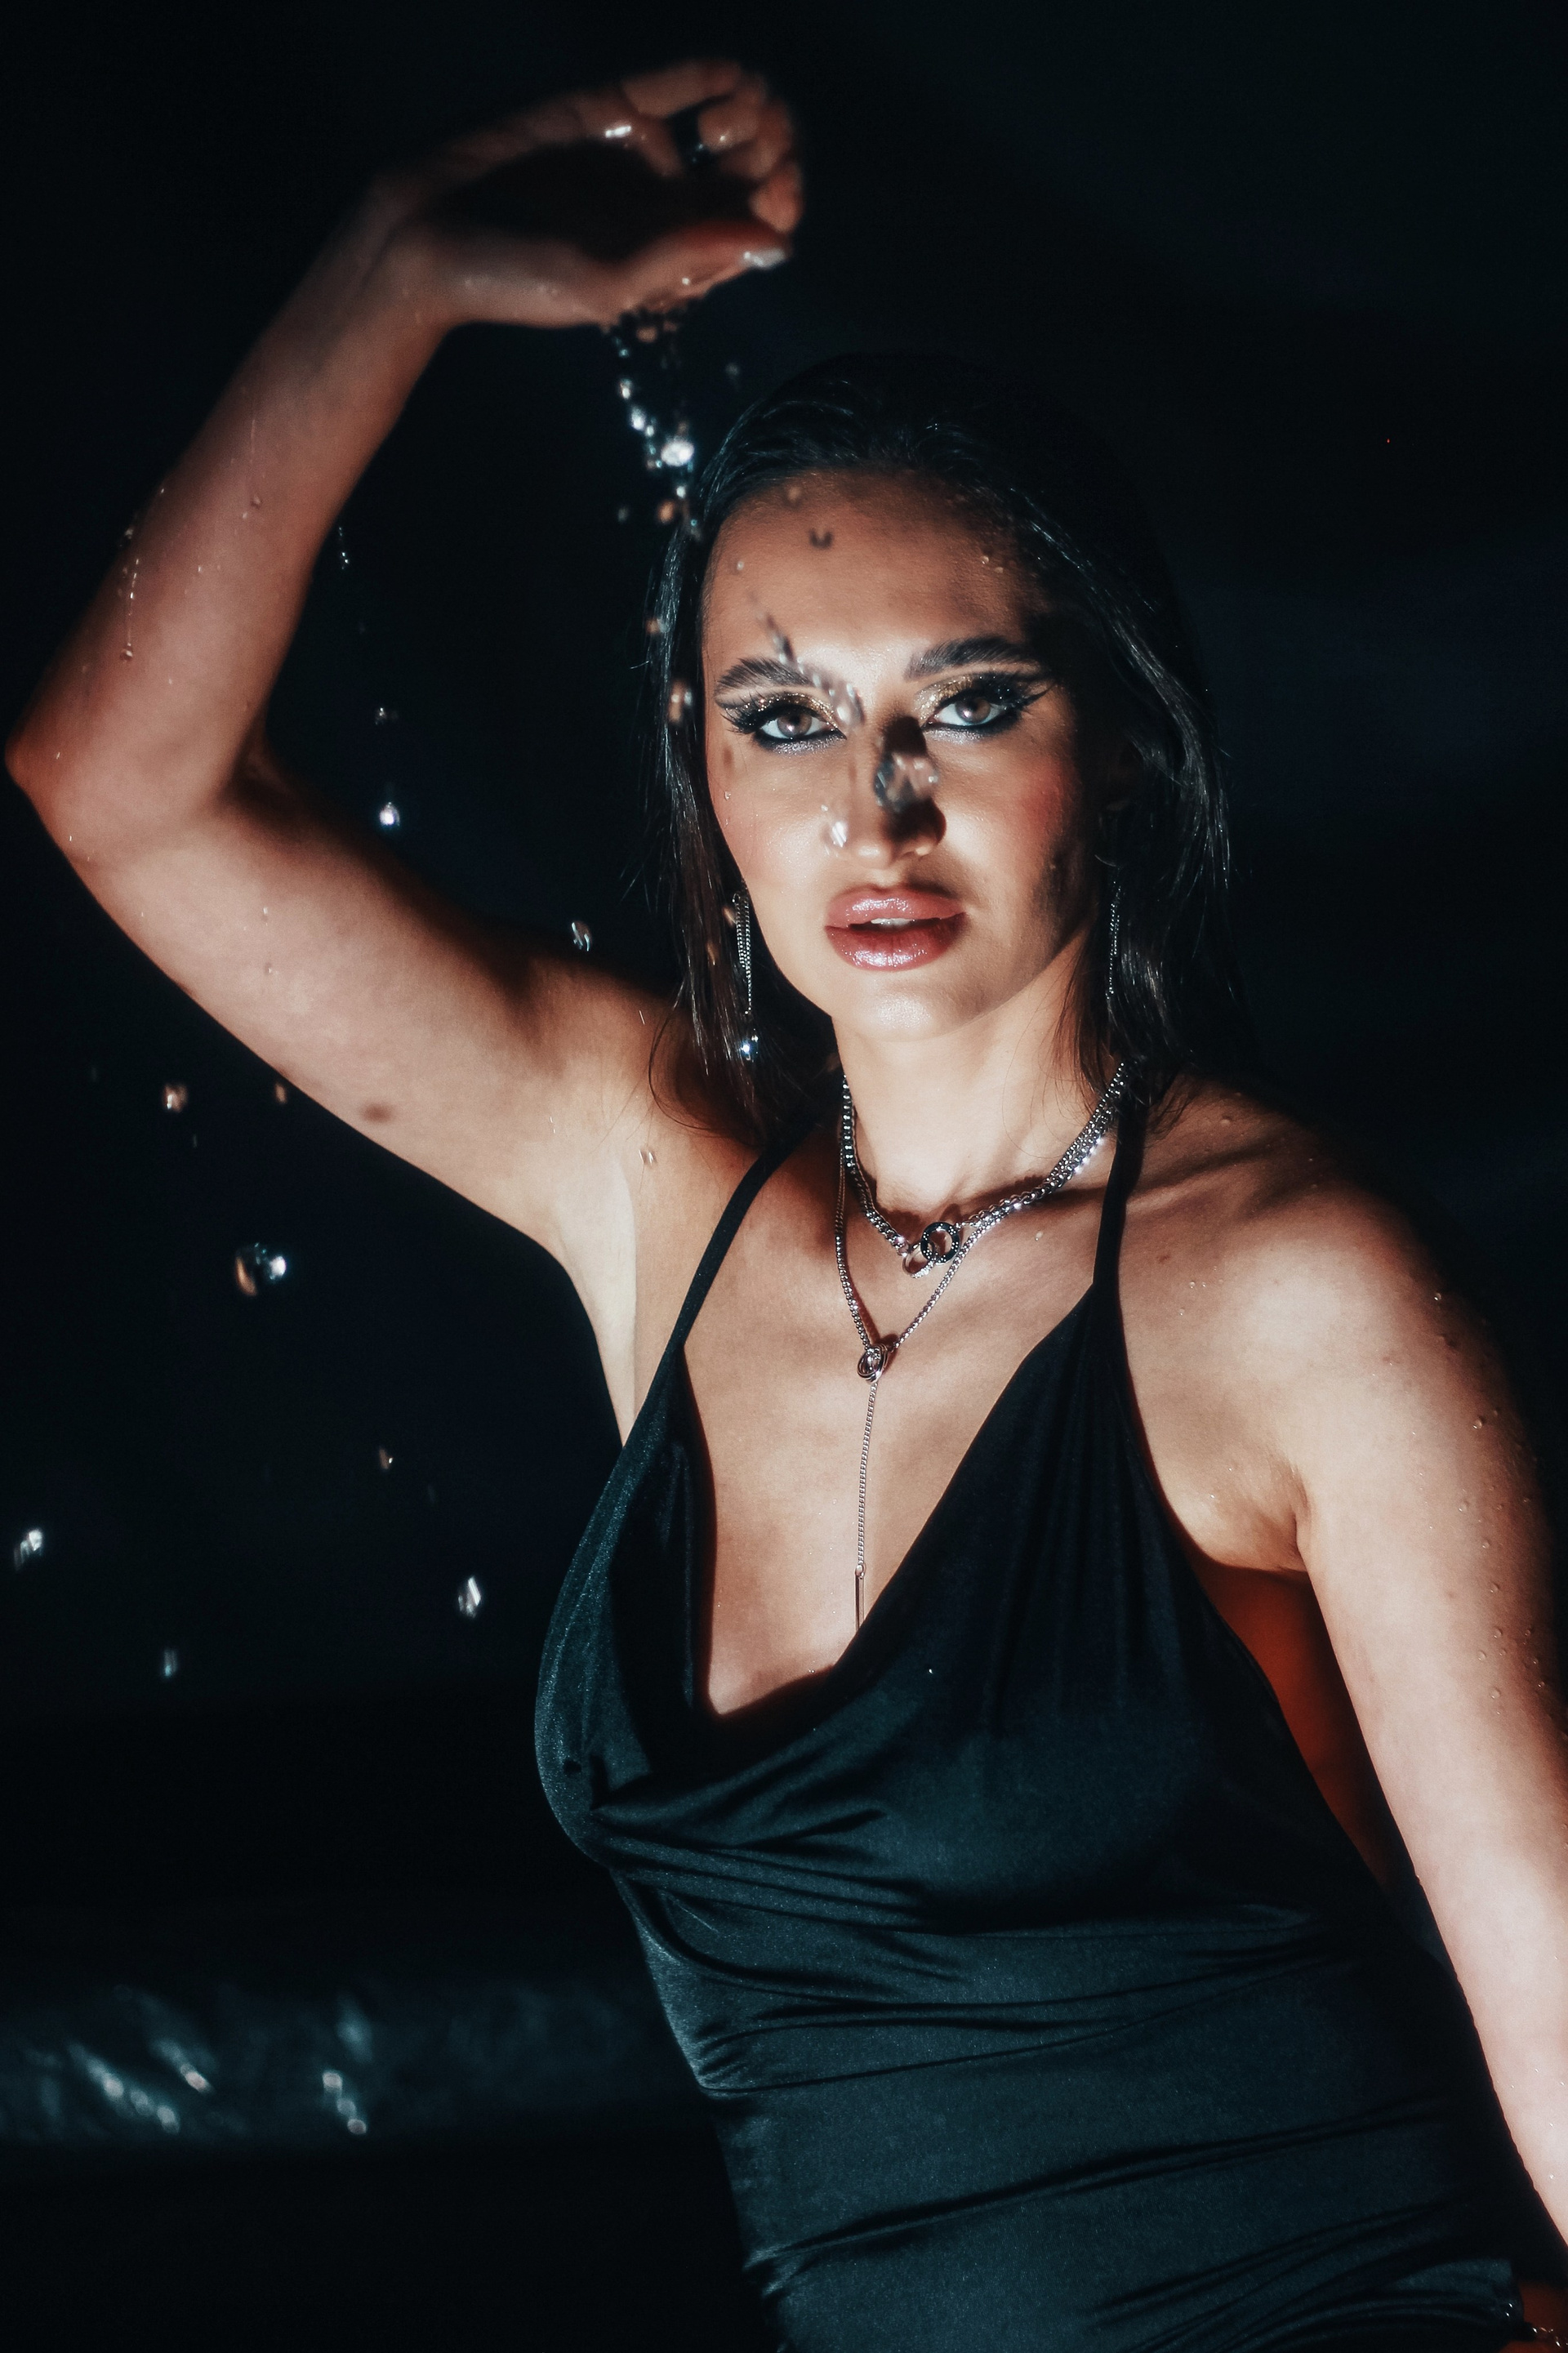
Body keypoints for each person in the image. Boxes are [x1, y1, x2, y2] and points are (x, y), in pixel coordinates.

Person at [8, 58, 1566, 2353]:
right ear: (699, 757)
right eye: (784, 717)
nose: (874, 811)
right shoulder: (652, 1183)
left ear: (1121, 733)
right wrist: (398, 271)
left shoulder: (1291, 1287)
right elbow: (124, 786)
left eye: (970, 703)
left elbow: (1552, 1993)